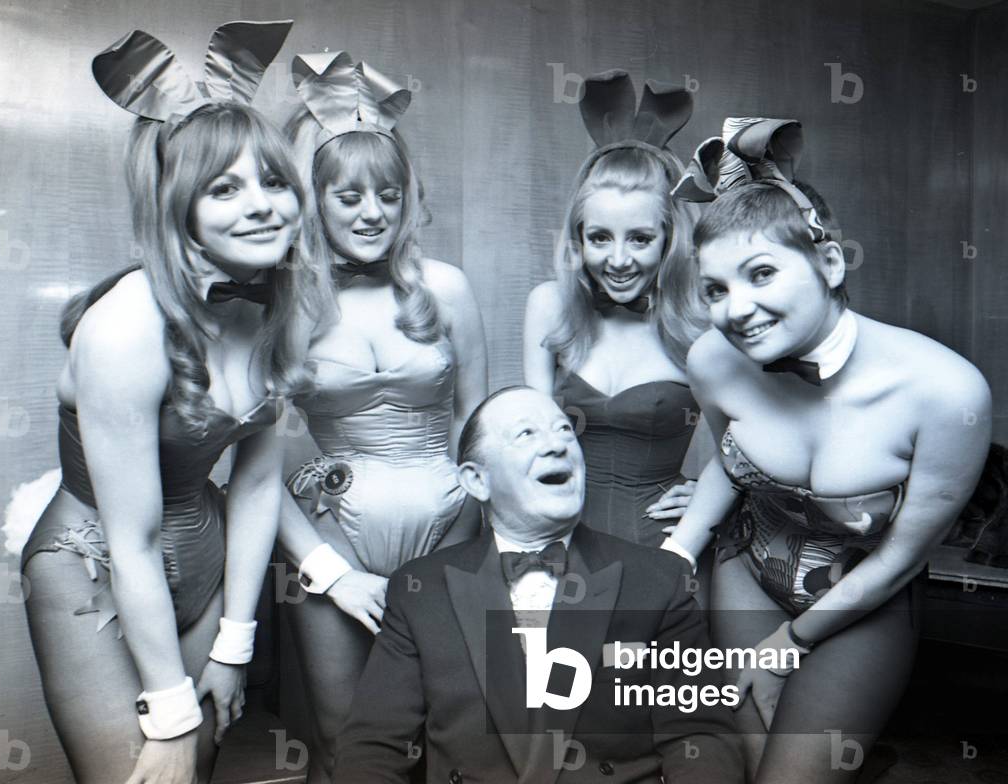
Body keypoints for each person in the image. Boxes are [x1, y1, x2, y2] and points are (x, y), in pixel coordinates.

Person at [20, 22, 308, 784]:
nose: (263, 207)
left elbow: (253, 484)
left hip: (210, 562)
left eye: (274, 182)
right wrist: (171, 710)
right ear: (177, 207)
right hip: (95, 566)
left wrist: (234, 643)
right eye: (224, 188)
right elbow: (133, 540)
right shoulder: (123, 331)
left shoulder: (281, 309)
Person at [667, 118, 992, 782]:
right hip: (746, 571)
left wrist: (787, 645)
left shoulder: (945, 392)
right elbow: (726, 464)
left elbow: (903, 558)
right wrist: (679, 546)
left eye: (761, 273)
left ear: (830, 262)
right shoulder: (711, 358)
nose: (737, 309)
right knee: (750, 769)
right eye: (716, 289)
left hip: (865, 599)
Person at [334, 386, 744, 784]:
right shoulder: (420, 588)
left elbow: (699, 736)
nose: (557, 445)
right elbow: (374, 748)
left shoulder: (658, 579)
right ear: (477, 480)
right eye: (526, 433)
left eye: (564, 430)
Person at [276, 51, 488, 782]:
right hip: (334, 548)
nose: (373, 213)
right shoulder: (287, 310)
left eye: (389, 195)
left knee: (449, 740)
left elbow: (478, 431)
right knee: (347, 744)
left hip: (452, 536)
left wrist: (473, 548)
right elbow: (251, 472)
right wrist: (330, 573)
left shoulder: (447, 290)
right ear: (313, 200)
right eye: (349, 196)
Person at [523, 70, 708, 552]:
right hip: (558, 542)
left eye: (641, 239)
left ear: (670, 239)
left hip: (665, 549)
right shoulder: (549, 306)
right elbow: (528, 444)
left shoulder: (702, 324)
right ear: (578, 237)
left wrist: (713, 496)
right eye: (600, 237)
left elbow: (760, 439)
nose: (619, 260)